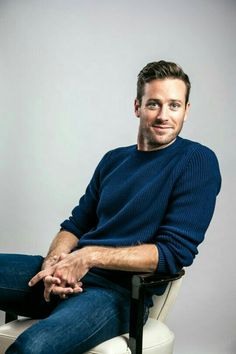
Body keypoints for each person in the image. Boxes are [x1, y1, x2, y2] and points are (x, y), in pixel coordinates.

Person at [0, 60, 221, 354]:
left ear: (186, 110)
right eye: (154, 104)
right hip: (69, 275)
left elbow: (172, 253)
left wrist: (88, 257)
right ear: (137, 107)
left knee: (33, 347)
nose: (164, 116)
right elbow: (75, 225)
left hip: (117, 294)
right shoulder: (113, 160)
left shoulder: (196, 161)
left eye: (174, 105)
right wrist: (54, 264)